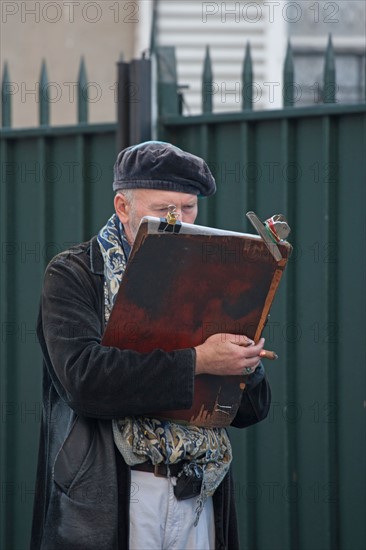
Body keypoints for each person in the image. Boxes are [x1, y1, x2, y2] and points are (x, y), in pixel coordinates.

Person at [31, 141, 271, 550]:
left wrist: (243, 363)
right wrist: (199, 360)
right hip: (114, 493)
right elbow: (85, 382)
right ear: (123, 206)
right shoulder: (73, 273)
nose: (178, 219)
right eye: (163, 208)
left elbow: (251, 409)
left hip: (201, 490)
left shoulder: (214, 274)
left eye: (189, 207)